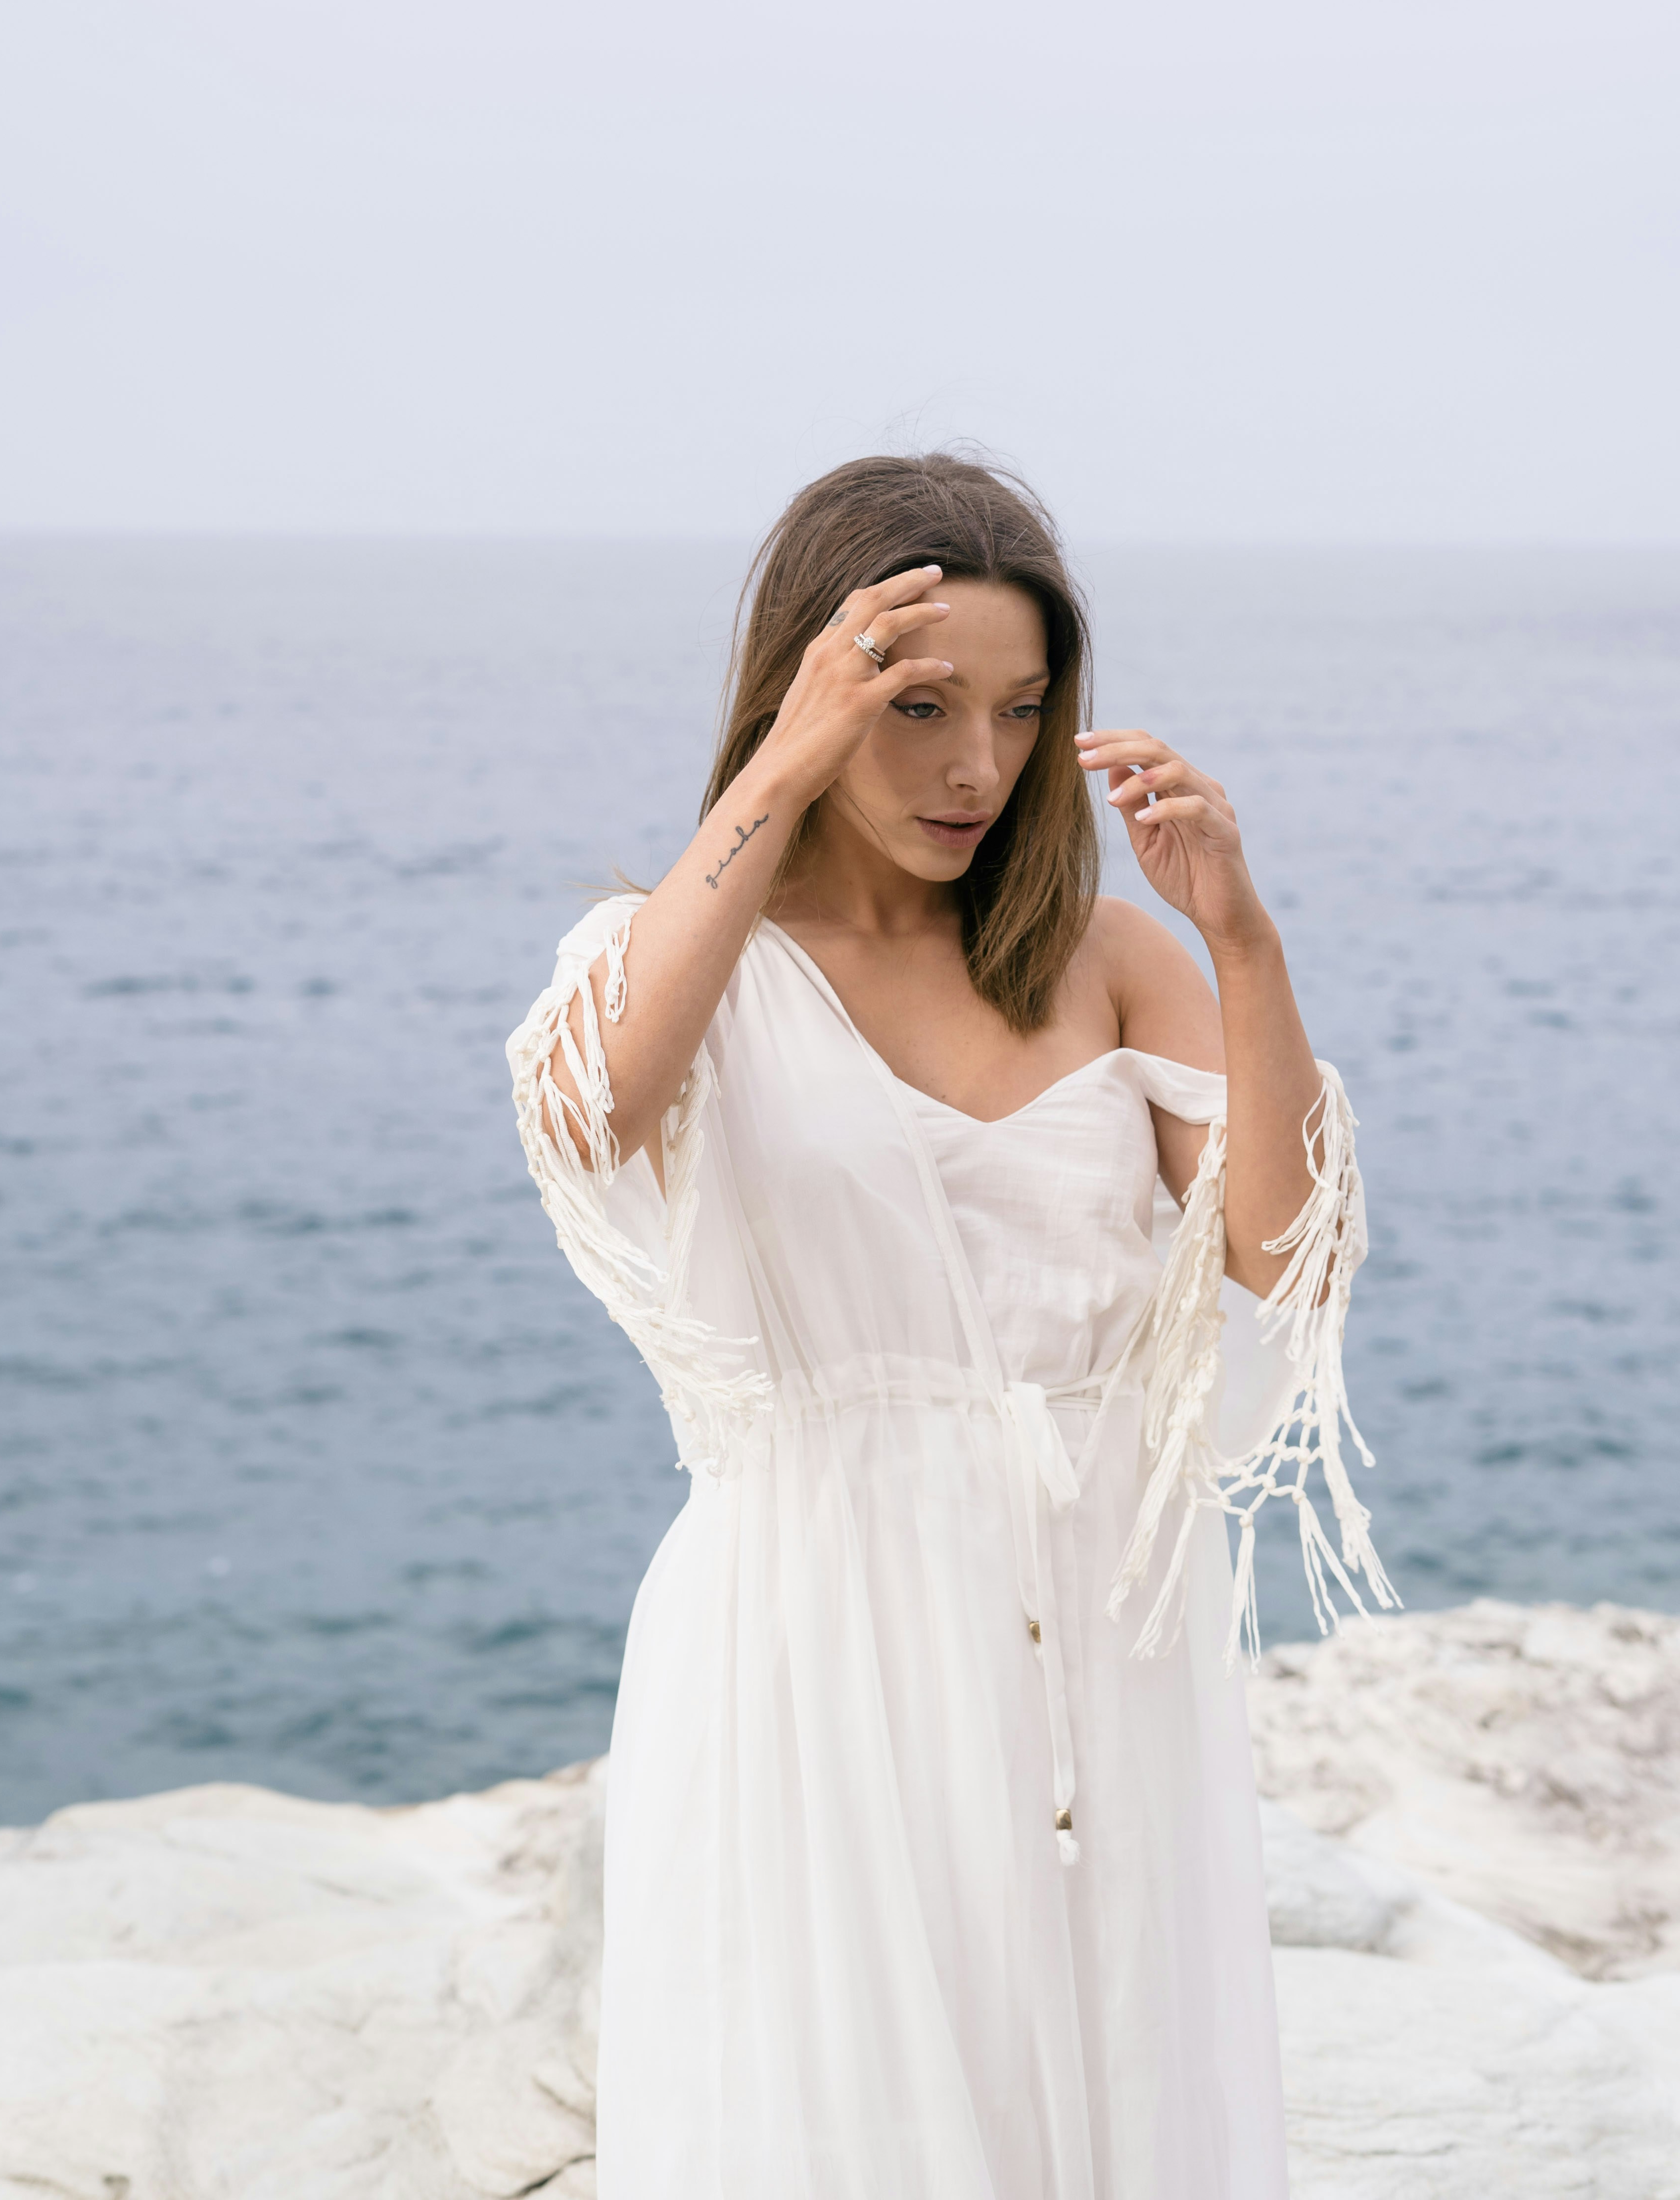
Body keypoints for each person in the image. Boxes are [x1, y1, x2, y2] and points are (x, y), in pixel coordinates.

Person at [508, 451, 1393, 2200]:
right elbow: (595, 1110)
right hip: (811, 1635)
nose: (976, 765)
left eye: (1018, 708)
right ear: (817, 689)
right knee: (840, 2121)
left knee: (1119, 2091)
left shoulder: (1108, 956)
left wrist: (1244, 941)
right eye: (916, 705)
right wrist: (786, 761)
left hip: (1109, 1646)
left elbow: (1288, 1250)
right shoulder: (674, 955)